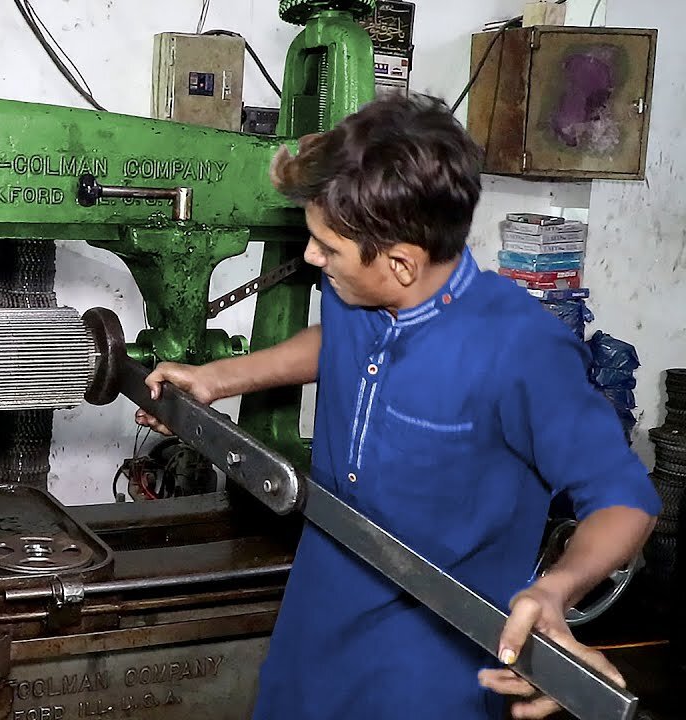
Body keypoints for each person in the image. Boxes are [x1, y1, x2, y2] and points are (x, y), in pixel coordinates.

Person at [134, 93, 660, 720]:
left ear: (402, 264)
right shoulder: (356, 294)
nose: (311, 258)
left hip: (432, 673)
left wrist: (555, 590)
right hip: (314, 631)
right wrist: (218, 378)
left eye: (327, 248)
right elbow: (335, 344)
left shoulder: (521, 350)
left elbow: (626, 502)